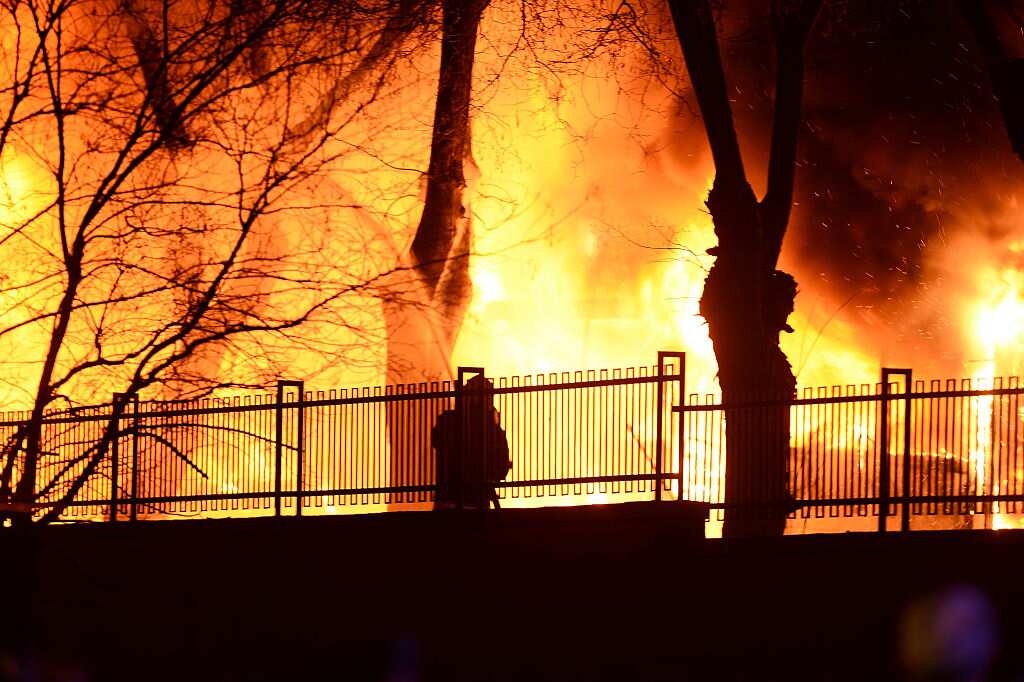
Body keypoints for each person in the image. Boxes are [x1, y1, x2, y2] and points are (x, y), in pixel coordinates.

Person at [431, 375, 510, 510]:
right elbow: (501, 466)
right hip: (477, 500)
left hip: (448, 497)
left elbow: (436, 440)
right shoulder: (491, 428)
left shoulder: (448, 420)